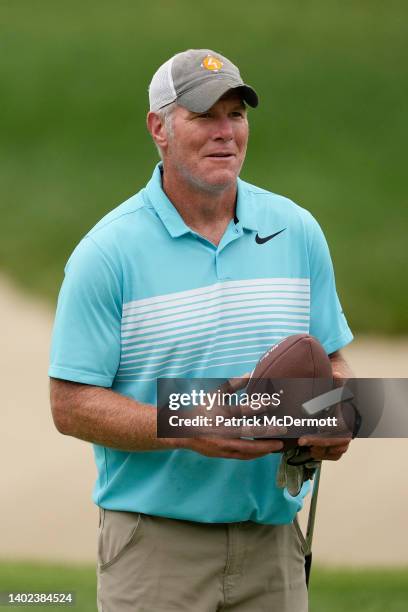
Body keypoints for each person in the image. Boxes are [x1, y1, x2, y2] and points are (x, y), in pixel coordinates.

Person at [49, 49, 354, 612]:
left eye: (236, 114)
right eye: (203, 116)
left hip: (274, 548)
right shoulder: (106, 253)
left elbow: (331, 364)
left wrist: (339, 416)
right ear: (158, 128)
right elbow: (69, 406)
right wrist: (186, 424)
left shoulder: (298, 231)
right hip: (156, 550)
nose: (225, 132)